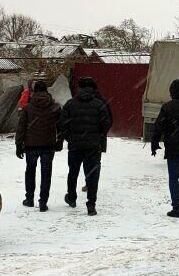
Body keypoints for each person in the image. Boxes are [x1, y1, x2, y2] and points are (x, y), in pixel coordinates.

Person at [59, 76, 112, 215]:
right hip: (93, 146)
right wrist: (98, 136)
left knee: (73, 172)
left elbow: (62, 125)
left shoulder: (70, 104)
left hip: (75, 145)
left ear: (79, 88)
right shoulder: (99, 104)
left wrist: (70, 138)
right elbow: (107, 123)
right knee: (92, 175)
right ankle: (91, 204)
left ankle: (71, 198)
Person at [150, 77, 179, 218]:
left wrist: (154, 143)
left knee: (173, 177)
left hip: (172, 146)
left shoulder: (167, 107)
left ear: (172, 91)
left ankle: (176, 207)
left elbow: (158, 127)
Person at [15, 79, 62, 211]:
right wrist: (59, 141)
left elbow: (21, 127)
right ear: (47, 90)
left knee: (30, 171)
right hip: (48, 145)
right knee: (46, 173)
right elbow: (61, 126)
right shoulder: (55, 107)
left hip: (31, 145)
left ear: (34, 91)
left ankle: (29, 199)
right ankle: (43, 202)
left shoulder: (27, 108)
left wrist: (19, 144)